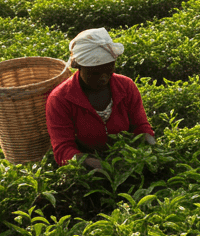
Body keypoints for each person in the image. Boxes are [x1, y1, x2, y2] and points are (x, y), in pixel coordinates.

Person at [45, 28, 156, 169]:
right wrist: (98, 166)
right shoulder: (60, 99)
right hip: (87, 171)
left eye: (109, 69)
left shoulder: (126, 86)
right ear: (79, 66)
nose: (103, 77)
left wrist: (150, 143)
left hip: (127, 161)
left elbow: (140, 126)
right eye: (95, 73)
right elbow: (63, 150)